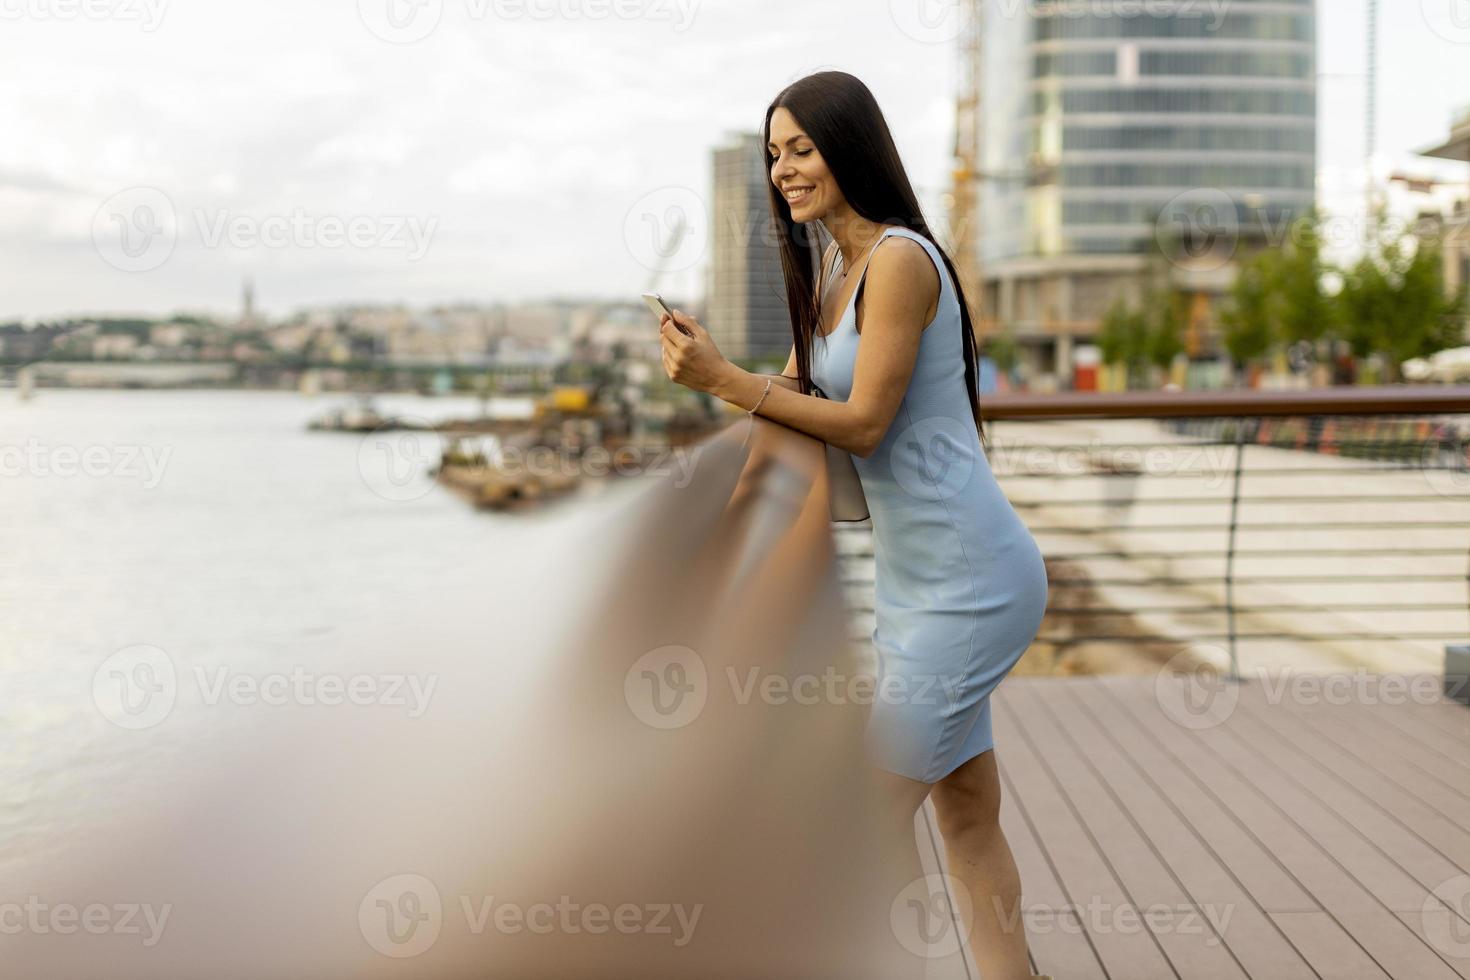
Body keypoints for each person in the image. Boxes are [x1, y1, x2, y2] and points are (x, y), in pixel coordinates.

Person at [658, 70, 1051, 980]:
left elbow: (865, 421)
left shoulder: (901, 261)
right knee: (965, 812)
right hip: (913, 587)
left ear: (851, 145)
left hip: (973, 581)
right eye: (772, 155)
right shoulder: (832, 270)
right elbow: (791, 399)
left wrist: (722, 379)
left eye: (801, 148)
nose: (783, 170)